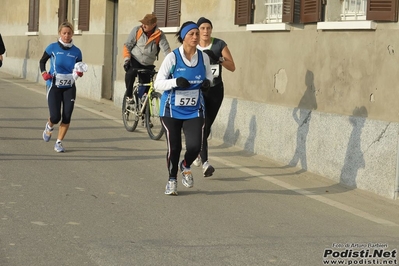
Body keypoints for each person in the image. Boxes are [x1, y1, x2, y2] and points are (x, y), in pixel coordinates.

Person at [154, 21, 213, 195]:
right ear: (183, 37)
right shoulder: (173, 57)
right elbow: (158, 84)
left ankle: (185, 165)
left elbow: (209, 76)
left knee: (195, 146)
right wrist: (175, 82)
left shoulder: (204, 57)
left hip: (194, 109)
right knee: (175, 147)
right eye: (191, 34)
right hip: (171, 110)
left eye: (197, 33)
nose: (195, 37)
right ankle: (172, 179)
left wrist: (207, 84)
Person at [194, 17, 236, 176]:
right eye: (202, 28)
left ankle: (197, 151)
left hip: (216, 90)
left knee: (207, 125)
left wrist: (218, 58)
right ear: (198, 30)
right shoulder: (193, 44)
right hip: (198, 90)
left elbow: (232, 66)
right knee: (202, 125)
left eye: (208, 28)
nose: (205, 31)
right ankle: (205, 163)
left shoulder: (219, 44)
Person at [39, 21, 85, 152]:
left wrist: (79, 73)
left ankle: (59, 142)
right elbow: (42, 61)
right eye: (64, 33)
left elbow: (78, 67)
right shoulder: (52, 47)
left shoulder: (77, 51)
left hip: (69, 86)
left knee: (67, 115)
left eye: (69, 33)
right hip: (54, 85)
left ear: (72, 34)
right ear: (60, 33)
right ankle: (49, 125)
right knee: (55, 117)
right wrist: (44, 73)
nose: (66, 35)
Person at [123, 14, 171, 104]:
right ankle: (129, 95)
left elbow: (166, 51)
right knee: (130, 73)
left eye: (146, 24)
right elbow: (127, 45)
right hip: (135, 59)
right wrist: (126, 60)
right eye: (143, 23)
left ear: (153, 25)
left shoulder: (159, 35)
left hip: (148, 63)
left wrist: (171, 66)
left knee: (147, 88)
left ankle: (145, 111)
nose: (143, 25)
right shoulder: (137, 30)